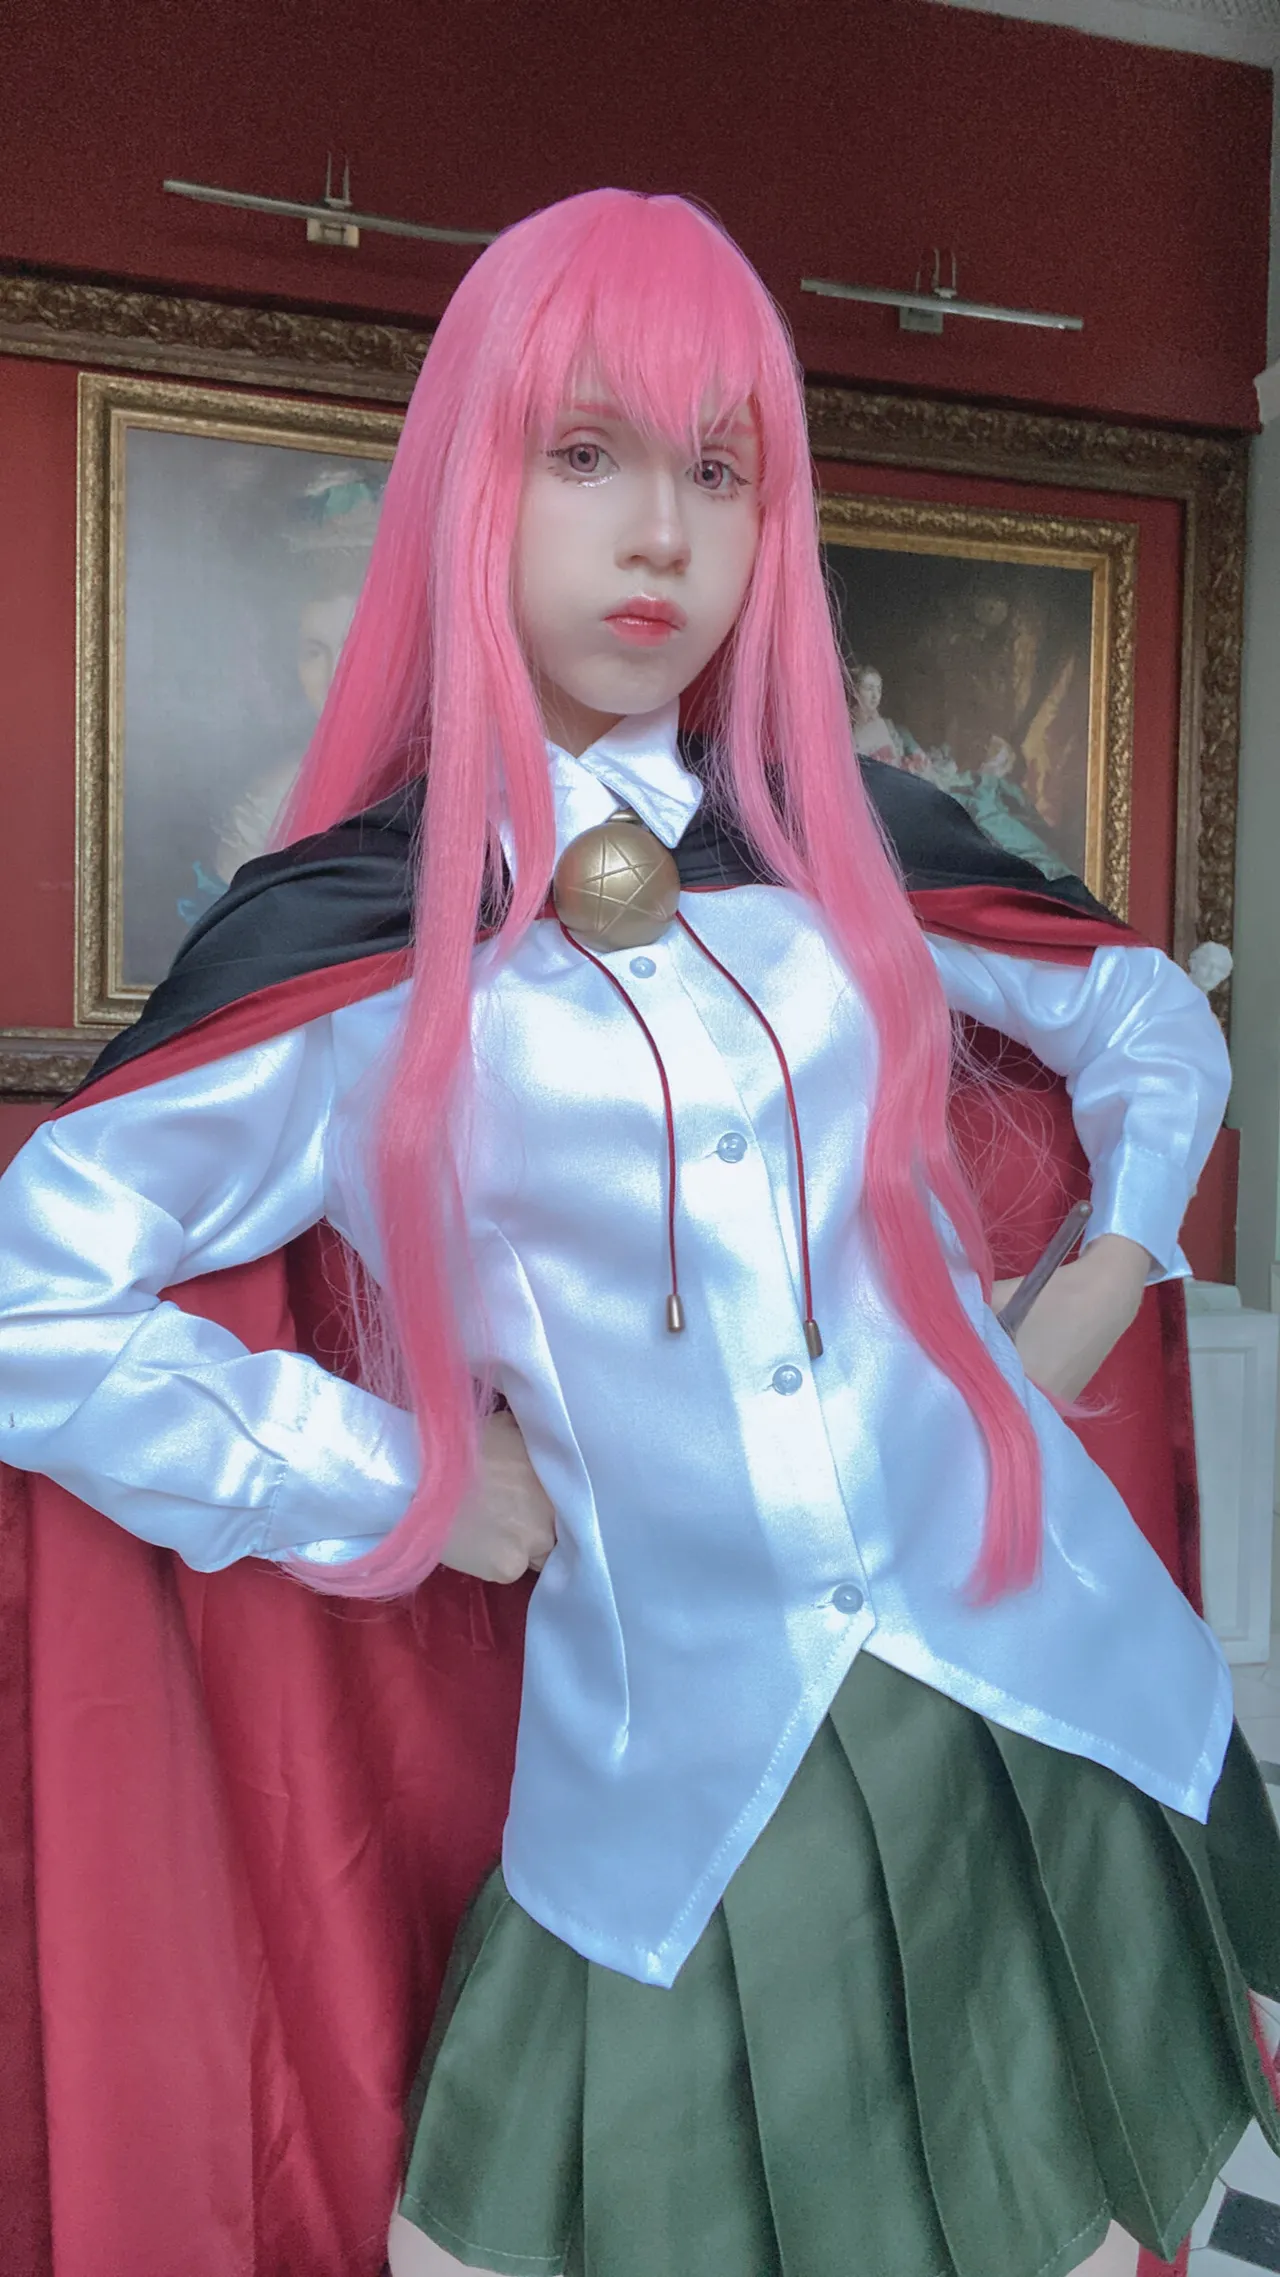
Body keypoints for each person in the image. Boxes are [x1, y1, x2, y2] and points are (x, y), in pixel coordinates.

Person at [0, 189, 1276, 2277]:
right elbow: (27, 1305)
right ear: (468, 485)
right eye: (584, 454)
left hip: (1049, 1670)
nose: (660, 534)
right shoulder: (356, 954)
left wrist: (1109, 1271)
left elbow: (1141, 1014)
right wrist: (397, 1479)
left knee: (1079, 2221)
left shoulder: (849, 854)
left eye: (719, 470)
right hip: (678, 1774)